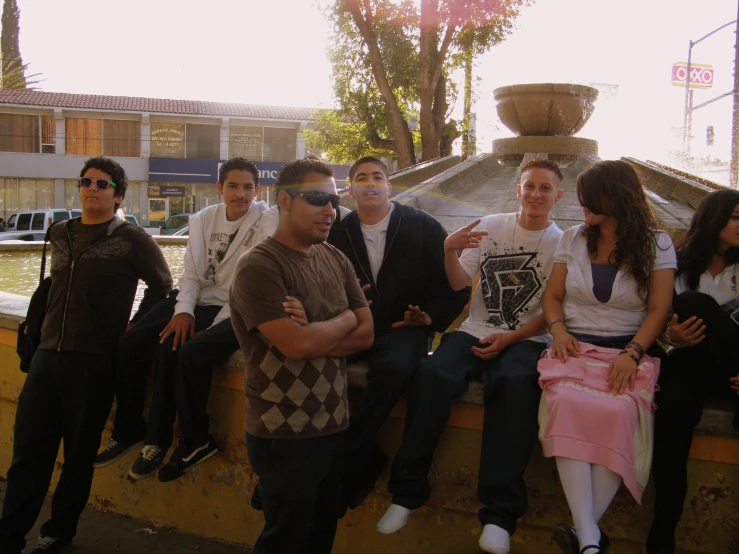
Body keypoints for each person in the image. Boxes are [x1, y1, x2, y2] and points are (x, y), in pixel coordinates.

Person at [377, 158, 565, 554]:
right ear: (518, 189)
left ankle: (499, 514)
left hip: (527, 339)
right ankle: (407, 492)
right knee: (430, 375)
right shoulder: (491, 225)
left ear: (557, 196)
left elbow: (555, 310)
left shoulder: (561, 243)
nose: (535, 194)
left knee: (514, 385)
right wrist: (448, 250)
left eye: (545, 188)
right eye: (529, 185)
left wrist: (512, 338)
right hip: (474, 331)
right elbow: (459, 281)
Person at [0, 157, 172, 554]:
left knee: (78, 454)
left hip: (94, 361)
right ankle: (9, 535)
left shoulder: (132, 239)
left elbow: (163, 286)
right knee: (28, 453)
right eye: (86, 181)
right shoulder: (59, 233)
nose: (93, 188)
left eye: (103, 184)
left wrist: (134, 328)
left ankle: (58, 531)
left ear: (118, 195)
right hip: (46, 355)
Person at [93, 157, 269, 481]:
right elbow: (190, 274)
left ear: (258, 190)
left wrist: (210, 328)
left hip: (232, 306)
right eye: (232, 185)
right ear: (220, 188)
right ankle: (130, 427)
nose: (240, 194)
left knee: (170, 346)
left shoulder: (267, 222)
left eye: (247, 187)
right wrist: (184, 311)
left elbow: (252, 287)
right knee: (130, 342)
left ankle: (157, 441)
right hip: (196, 298)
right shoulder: (203, 219)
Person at [230, 157, 373, 554]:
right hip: (283, 431)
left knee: (320, 537)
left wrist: (318, 328)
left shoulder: (335, 258)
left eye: (334, 201)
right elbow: (296, 346)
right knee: (285, 540)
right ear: (285, 201)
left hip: (333, 423)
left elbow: (367, 333)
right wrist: (342, 319)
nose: (330, 210)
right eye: (316, 199)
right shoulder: (259, 266)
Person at [539, 160, 675, 554]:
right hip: (575, 346)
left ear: (615, 197)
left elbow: (659, 310)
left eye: (589, 198)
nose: (582, 205)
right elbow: (552, 297)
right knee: (564, 401)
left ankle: (585, 537)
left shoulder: (657, 243)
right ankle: (590, 539)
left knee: (620, 415)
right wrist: (558, 329)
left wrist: (633, 353)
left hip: (627, 351)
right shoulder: (573, 238)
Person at [324, 156, 469, 510]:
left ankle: (348, 460)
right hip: (353, 325)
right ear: (350, 190)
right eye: (361, 178)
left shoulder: (423, 226)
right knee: (312, 358)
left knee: (398, 368)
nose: (370, 183)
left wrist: (429, 318)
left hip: (405, 327)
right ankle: (308, 459)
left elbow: (456, 287)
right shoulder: (335, 233)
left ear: (389, 186)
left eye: (377, 177)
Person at [647, 188, 739, 554]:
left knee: (696, 302)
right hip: (691, 359)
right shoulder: (678, 262)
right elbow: (656, 316)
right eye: (735, 217)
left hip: (734, 360)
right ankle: (663, 529)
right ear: (714, 219)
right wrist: (672, 335)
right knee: (671, 407)